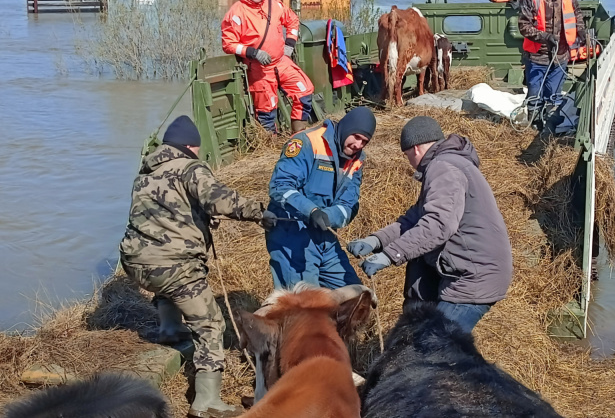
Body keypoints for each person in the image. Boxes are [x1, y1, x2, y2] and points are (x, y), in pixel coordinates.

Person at [118, 115, 277, 418]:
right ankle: (207, 401)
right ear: (192, 146)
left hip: (136, 263)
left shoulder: (145, 173)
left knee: (167, 286)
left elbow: (168, 212)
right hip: (173, 265)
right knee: (211, 324)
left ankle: (170, 330)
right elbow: (219, 200)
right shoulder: (190, 167)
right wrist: (258, 212)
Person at [346, 116, 513, 333]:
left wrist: (390, 255)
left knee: (435, 346)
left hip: (473, 277)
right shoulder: (449, 163)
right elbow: (414, 219)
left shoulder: (443, 168)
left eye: (407, 156)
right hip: (466, 268)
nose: (410, 162)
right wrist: (376, 240)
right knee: (428, 337)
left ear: (415, 149)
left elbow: (438, 225)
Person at [267, 106, 376, 289]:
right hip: (292, 234)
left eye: (364, 141)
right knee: (306, 304)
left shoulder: (357, 160)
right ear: (347, 127)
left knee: (355, 297)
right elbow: (280, 186)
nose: (358, 145)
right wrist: (311, 211)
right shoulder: (307, 142)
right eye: (356, 137)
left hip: (325, 235)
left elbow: (348, 204)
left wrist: (328, 216)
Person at [221, 0, 314, 134]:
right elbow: (228, 44)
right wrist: (252, 52)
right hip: (259, 69)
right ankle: (270, 147)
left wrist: (290, 44)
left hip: (281, 61)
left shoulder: (274, 4)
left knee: (304, 92)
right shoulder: (236, 12)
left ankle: (298, 137)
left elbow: (292, 20)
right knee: (266, 112)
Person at [518, 0, 586, 139]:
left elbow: (576, 13)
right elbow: (523, 26)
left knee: (554, 96)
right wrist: (545, 36)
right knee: (535, 95)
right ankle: (534, 128)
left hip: (561, 55)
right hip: (537, 55)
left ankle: (550, 130)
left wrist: (581, 31)